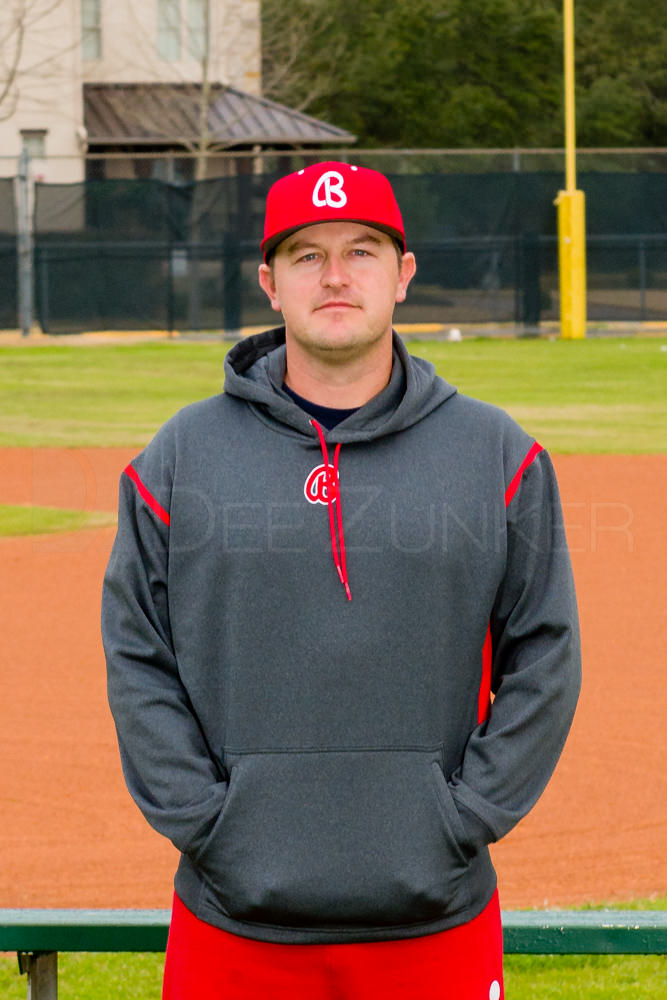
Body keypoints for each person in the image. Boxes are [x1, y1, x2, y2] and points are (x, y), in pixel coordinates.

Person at [102, 161, 581, 999]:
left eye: (361, 250)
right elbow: (137, 655)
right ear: (268, 282)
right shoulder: (178, 458)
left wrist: (460, 820)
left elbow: (545, 655)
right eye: (304, 254)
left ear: (401, 275)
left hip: (435, 915)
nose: (334, 275)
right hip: (233, 918)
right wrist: (211, 824)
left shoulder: (497, 454)